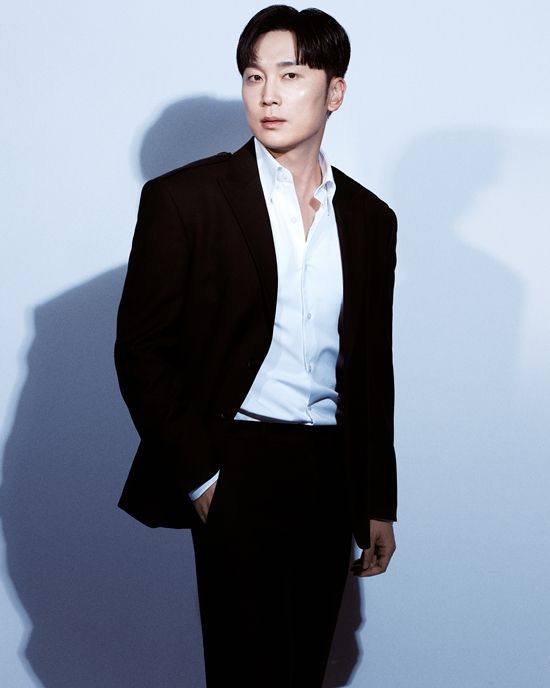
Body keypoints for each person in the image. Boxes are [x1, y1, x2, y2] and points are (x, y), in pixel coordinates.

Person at [115, 5, 397, 687]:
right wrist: (203, 477)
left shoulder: (369, 219)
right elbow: (142, 350)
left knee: (307, 669)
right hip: (237, 461)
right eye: (253, 75)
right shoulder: (185, 199)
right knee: (246, 673)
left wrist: (377, 498)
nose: (268, 94)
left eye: (290, 75)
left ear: (334, 91)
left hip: (328, 470)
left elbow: (369, 369)